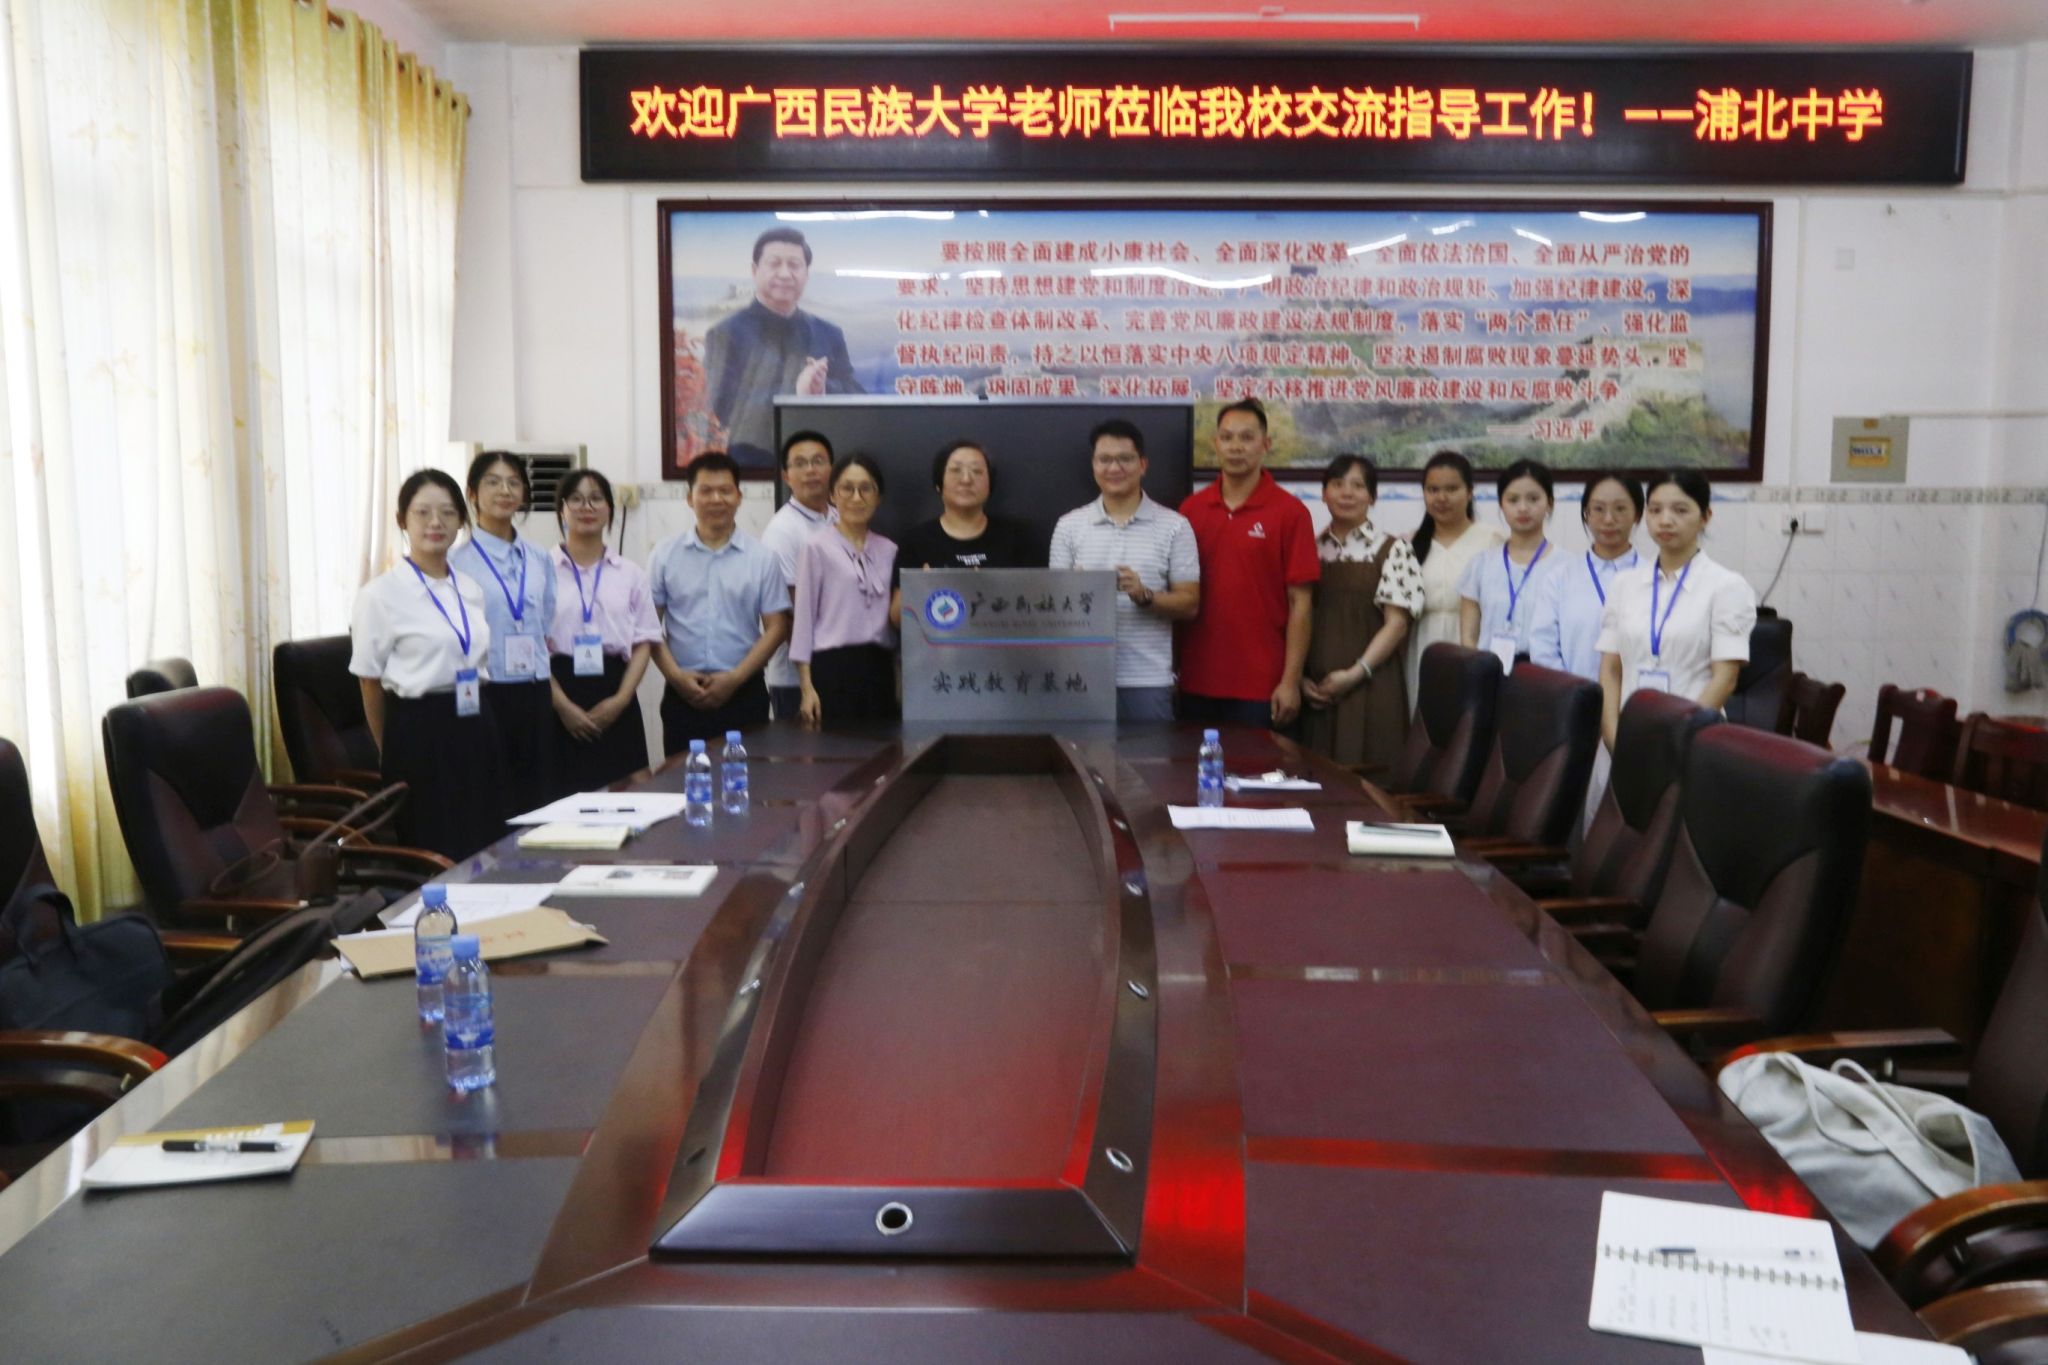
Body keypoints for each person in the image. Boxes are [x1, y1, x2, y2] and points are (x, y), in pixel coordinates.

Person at [349, 470, 506, 860]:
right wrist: (390, 749)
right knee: (435, 846)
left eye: (448, 513)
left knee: (485, 839)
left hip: (477, 720)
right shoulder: (380, 595)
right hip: (420, 731)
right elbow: (369, 682)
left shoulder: (469, 588)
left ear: (461, 521)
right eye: (422, 513)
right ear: (402, 520)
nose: (435, 523)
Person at [1177, 399, 1319, 730]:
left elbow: (1301, 603)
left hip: (1263, 686)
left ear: (1265, 444)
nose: (1236, 447)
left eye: (1247, 437)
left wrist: (1290, 681)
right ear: (1215, 444)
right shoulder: (1191, 510)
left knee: (1260, 766)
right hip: (1197, 680)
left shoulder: (1291, 512)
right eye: (1227, 438)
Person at [1047, 419, 1201, 724]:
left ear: (1142, 465)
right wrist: (1075, 592)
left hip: (1147, 679)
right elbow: (1052, 610)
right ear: (1093, 466)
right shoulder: (1069, 526)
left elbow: (1190, 604)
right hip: (1082, 677)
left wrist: (1145, 596)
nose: (1114, 468)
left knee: (1151, 756)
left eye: (1125, 459)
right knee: (1085, 755)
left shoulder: (1175, 526)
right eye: (1104, 459)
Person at [1597, 469, 1760, 751]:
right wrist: (1613, 736)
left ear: (1705, 516)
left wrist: (1675, 741)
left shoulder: (1726, 586)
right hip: (1631, 737)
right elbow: (1610, 669)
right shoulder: (1624, 584)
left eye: (1680, 510)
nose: (1665, 520)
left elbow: (1725, 678)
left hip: (1693, 740)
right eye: (1655, 510)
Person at [647, 452, 791, 752]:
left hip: (744, 691)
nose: (716, 499)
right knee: (683, 779)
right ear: (690, 498)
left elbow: (777, 627)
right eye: (706, 491)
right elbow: (647, 626)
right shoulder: (664, 555)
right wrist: (676, 677)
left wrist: (735, 678)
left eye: (725, 490)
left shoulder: (761, 558)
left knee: (749, 778)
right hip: (682, 693)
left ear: (739, 497)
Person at [1300, 456, 1424, 780]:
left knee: (1370, 786)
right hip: (1315, 692)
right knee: (1314, 784)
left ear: (1373, 496)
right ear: (1323, 493)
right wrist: (1299, 678)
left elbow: (1397, 624)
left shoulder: (1394, 549)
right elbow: (1295, 615)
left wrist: (1355, 673)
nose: (1347, 493)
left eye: (1358, 486)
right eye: (1337, 484)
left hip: (1372, 686)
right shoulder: (1308, 548)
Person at [451, 451, 559, 812]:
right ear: (472, 493)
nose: (505, 490)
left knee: (539, 796)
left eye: (514, 482)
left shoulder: (540, 558)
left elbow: (544, 618)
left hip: (535, 689)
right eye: (493, 482)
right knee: (494, 797)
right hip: (486, 691)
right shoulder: (456, 562)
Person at [702, 226, 863, 466]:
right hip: (752, 466)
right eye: (775, 264)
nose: (785, 274)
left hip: (820, 465)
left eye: (794, 265)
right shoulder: (726, 333)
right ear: (755, 270)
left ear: (806, 273)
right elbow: (721, 407)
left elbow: (855, 395)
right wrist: (797, 391)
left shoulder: (829, 333)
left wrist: (820, 388)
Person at [547, 469, 661, 793]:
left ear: (610, 509)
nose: (587, 507)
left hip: (616, 687)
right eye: (576, 499)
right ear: (562, 510)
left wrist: (621, 700)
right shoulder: (541, 570)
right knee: (562, 797)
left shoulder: (630, 573)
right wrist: (562, 706)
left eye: (596, 499)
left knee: (633, 789)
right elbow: (533, 644)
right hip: (558, 690)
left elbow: (644, 641)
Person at [792, 454, 898, 728]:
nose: (856, 497)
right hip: (832, 668)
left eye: (866, 489)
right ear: (832, 495)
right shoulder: (817, 547)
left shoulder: (889, 550)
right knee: (836, 750)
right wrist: (806, 687)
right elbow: (803, 620)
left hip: (879, 667)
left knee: (883, 749)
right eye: (847, 489)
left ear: (878, 496)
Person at [889, 439, 1040, 627]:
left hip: (1004, 643)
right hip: (938, 644)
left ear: (990, 484)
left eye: (977, 471)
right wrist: (921, 587)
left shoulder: (1018, 537)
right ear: (939, 484)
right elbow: (897, 619)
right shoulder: (916, 540)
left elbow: (1040, 606)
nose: (966, 479)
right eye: (955, 470)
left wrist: (991, 588)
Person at [1405, 451, 1502, 714]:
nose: (1441, 498)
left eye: (1451, 489)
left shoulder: (1492, 541)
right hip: (1421, 647)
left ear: (1469, 492)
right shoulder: (1410, 543)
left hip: (1472, 646)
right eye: (1433, 490)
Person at [1530, 471, 1645, 680]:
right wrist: (1574, 691)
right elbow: (1542, 647)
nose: (1608, 519)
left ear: (1637, 514)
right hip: (1573, 694)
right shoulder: (1559, 578)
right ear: (1586, 514)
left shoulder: (1655, 577)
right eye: (1598, 509)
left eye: (1620, 509)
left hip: (1638, 694)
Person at [758, 429, 837, 720]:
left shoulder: (841, 518)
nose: (811, 470)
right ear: (786, 476)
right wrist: (807, 682)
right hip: (796, 681)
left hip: (836, 670)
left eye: (818, 461)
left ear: (831, 469)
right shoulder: (783, 530)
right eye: (800, 463)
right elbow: (790, 614)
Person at [1459, 459, 1562, 673]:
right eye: (1513, 500)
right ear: (1501, 504)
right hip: (1489, 677)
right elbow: (1468, 637)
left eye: (1533, 499)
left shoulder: (1567, 566)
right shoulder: (1481, 564)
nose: (1523, 508)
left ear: (1550, 503)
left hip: (1547, 678)